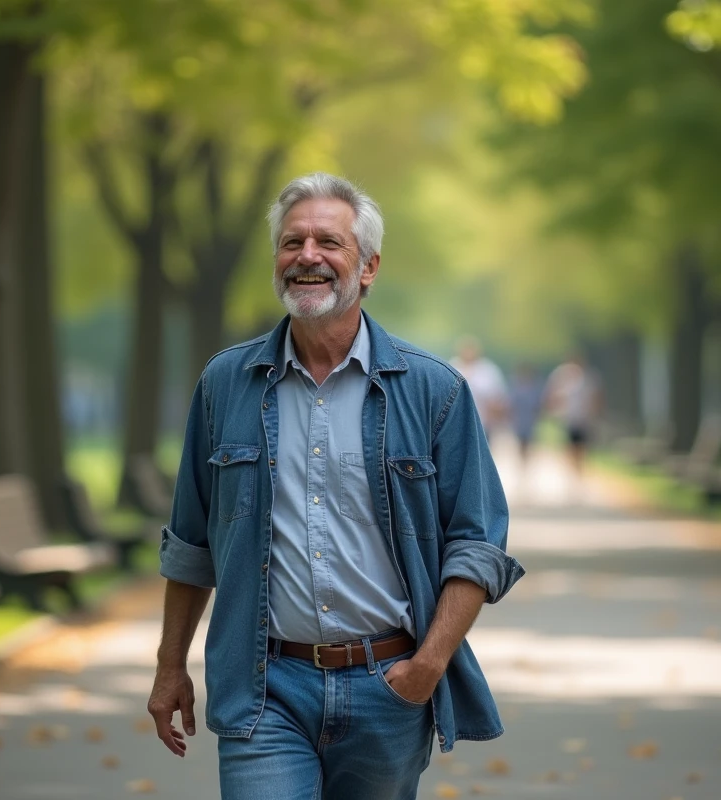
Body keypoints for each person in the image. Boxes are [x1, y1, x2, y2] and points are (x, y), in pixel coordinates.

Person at [147, 173, 524, 799]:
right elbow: (191, 541)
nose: (308, 257)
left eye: (329, 242)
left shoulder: (434, 392)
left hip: (389, 688)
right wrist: (169, 667)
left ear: (368, 266)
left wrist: (426, 667)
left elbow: (478, 542)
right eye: (292, 242)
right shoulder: (225, 385)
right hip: (264, 687)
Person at [543, 352, 602, 478]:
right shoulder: (561, 376)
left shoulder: (588, 378)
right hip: (568, 419)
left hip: (583, 419)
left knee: (581, 447)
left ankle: (578, 470)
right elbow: (552, 395)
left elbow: (595, 396)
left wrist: (594, 412)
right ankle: (573, 471)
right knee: (570, 446)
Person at [450, 337, 509, 439]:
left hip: (483, 422)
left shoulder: (488, 370)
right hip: (457, 422)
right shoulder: (452, 366)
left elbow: (498, 396)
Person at [508, 363, 544, 467]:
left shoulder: (534, 390)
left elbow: (538, 406)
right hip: (519, 420)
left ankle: (526, 462)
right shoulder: (517, 389)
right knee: (521, 443)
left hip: (530, 421)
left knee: (528, 443)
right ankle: (522, 462)